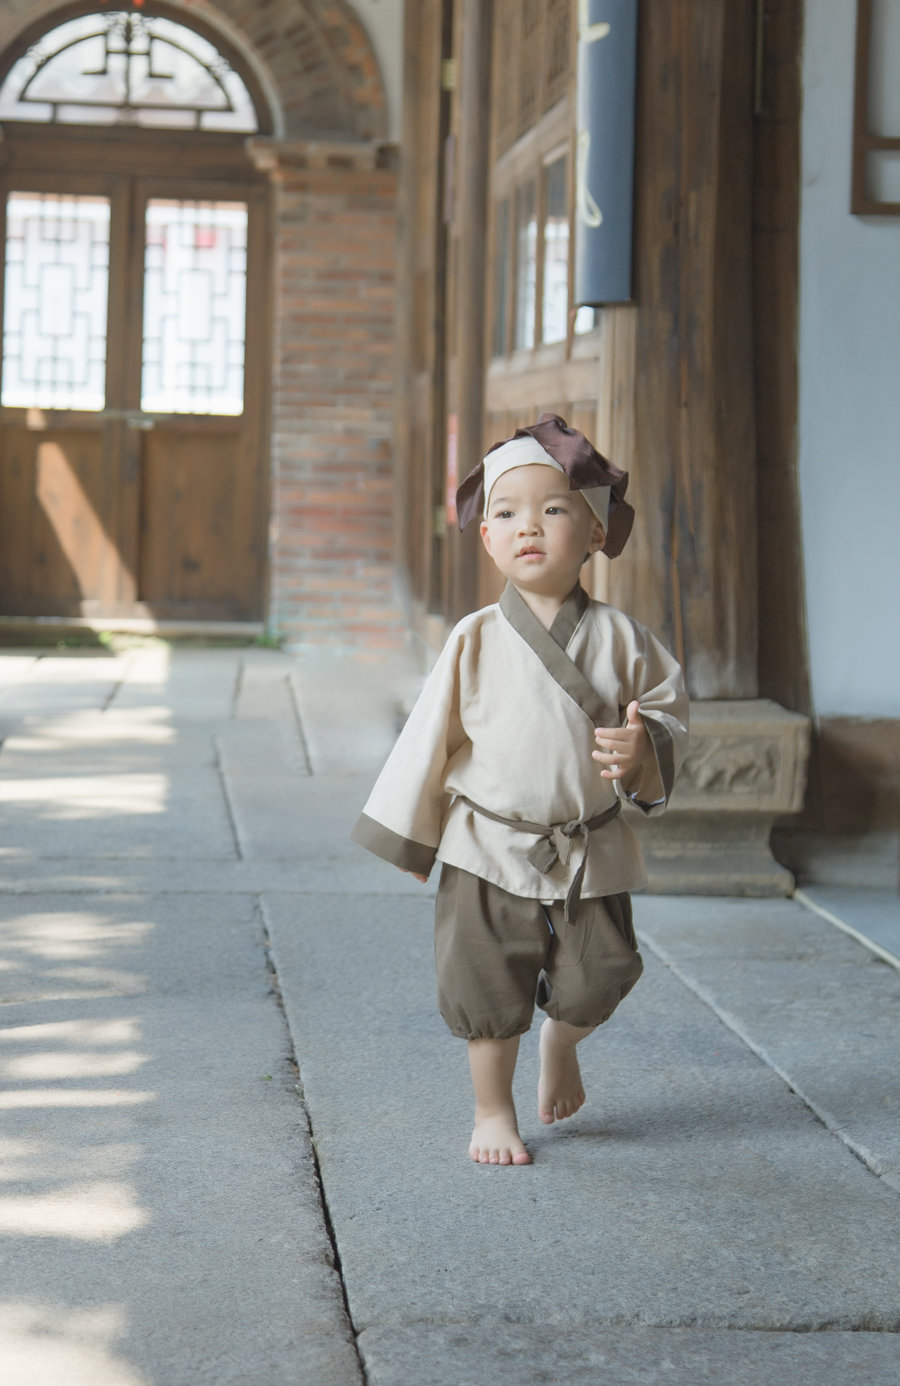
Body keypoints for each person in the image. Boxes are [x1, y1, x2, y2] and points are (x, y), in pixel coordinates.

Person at [352, 414, 688, 1166]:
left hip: (588, 844)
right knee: (484, 982)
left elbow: (667, 712)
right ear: (485, 538)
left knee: (604, 971)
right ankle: (492, 1109)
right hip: (486, 843)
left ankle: (562, 1040)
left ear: (596, 533)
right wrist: (416, 835)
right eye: (506, 513)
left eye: (554, 509)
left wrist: (644, 750)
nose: (527, 526)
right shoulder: (474, 637)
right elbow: (428, 740)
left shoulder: (626, 641)